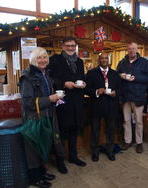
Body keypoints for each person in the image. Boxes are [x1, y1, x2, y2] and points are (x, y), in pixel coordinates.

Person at [19, 47, 57, 188]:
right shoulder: (27, 77)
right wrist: (50, 99)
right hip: (33, 118)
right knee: (33, 149)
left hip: (45, 115)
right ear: (33, 60)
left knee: (43, 145)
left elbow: (46, 94)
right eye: (39, 58)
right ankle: (35, 178)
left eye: (44, 57)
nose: (42, 60)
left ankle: (42, 172)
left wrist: (55, 99)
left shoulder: (46, 73)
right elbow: (28, 102)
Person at [48, 37, 86, 173]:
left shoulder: (80, 62)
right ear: (62, 45)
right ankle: (60, 160)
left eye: (73, 45)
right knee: (61, 133)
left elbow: (82, 77)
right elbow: (49, 78)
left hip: (77, 102)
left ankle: (73, 157)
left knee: (74, 131)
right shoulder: (54, 60)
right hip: (62, 102)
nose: (71, 48)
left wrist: (84, 83)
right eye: (68, 45)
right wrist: (63, 84)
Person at [117, 42, 148, 153]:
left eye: (133, 49)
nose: (131, 51)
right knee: (126, 121)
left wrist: (135, 77)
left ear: (137, 49)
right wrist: (120, 75)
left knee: (139, 122)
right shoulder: (122, 62)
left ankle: (139, 142)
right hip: (125, 96)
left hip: (138, 96)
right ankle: (128, 141)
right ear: (127, 50)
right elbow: (116, 74)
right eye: (129, 49)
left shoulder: (144, 62)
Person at [85, 53, 120, 162]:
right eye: (102, 58)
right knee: (95, 130)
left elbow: (121, 88)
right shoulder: (91, 73)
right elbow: (86, 89)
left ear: (108, 60)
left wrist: (116, 93)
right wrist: (96, 91)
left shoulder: (115, 74)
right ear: (99, 60)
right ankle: (95, 152)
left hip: (111, 105)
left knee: (110, 130)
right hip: (96, 106)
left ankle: (110, 151)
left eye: (106, 58)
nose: (104, 60)